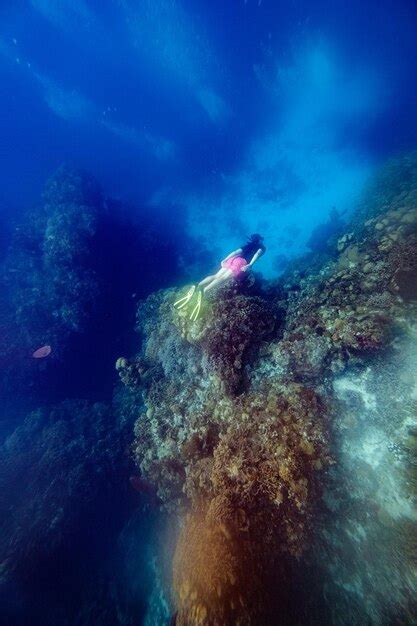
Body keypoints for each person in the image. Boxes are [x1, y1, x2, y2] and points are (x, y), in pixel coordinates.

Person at [173, 234, 266, 321]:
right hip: (241, 263)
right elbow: (257, 254)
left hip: (233, 259)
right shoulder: (262, 248)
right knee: (223, 278)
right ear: (259, 241)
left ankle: (197, 285)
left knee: (216, 276)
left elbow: (235, 252)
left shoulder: (247, 246)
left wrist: (224, 259)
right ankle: (204, 291)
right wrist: (250, 264)